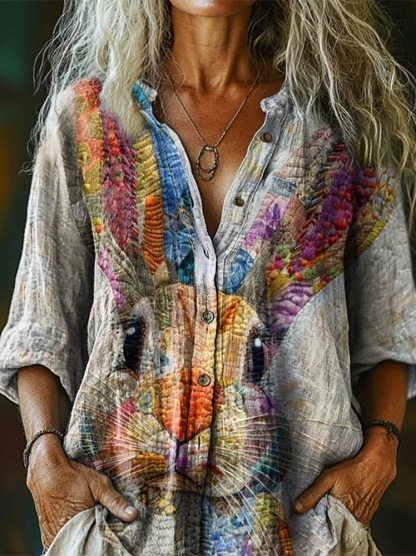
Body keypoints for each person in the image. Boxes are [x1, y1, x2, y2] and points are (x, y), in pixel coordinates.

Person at [1, 0, 416, 554]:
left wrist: (382, 450)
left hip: (301, 531)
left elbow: (387, 327)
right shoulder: (87, 120)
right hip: (121, 533)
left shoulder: (342, 121)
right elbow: (39, 326)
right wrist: (44, 456)